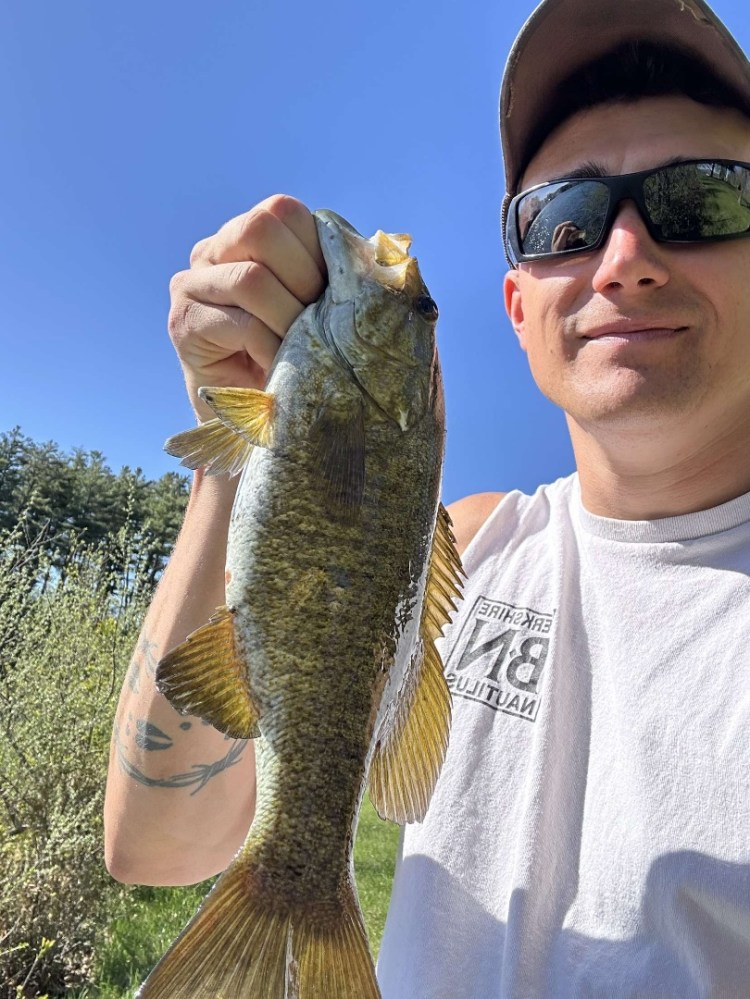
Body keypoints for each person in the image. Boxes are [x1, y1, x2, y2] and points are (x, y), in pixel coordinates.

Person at [104, 0, 750, 992]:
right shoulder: (472, 546)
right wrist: (239, 453)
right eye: (567, 220)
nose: (625, 259)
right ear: (520, 309)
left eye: (703, 200)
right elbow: (155, 847)